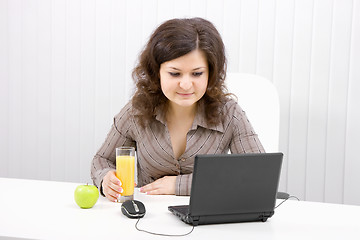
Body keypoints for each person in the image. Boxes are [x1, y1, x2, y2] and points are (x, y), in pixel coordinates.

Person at [91, 17, 264, 202]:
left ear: (210, 73)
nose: (186, 84)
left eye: (197, 73)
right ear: (156, 72)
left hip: (207, 222)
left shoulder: (230, 114)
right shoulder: (136, 111)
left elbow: (259, 175)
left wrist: (179, 185)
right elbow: (102, 160)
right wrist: (105, 178)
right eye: (175, 73)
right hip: (146, 221)